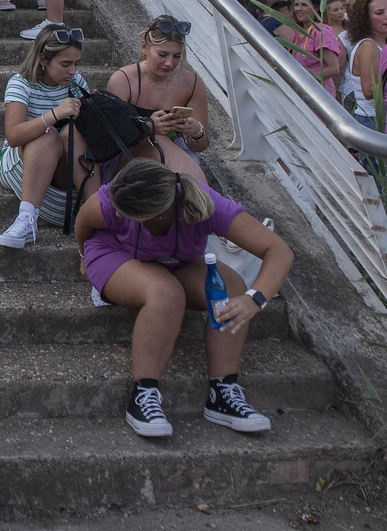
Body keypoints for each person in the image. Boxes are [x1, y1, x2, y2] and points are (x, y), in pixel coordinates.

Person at [76, 158, 294, 439]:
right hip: (113, 252)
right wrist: (84, 257)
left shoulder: (204, 204)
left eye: (125, 213)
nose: (116, 213)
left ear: (156, 214)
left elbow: (279, 250)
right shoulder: (112, 199)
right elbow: (84, 222)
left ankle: (223, 392)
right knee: (166, 293)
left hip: (173, 260)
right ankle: (144, 393)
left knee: (230, 288)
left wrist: (255, 298)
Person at [0, 26, 92, 248]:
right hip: (20, 162)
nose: (72, 71)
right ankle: (26, 219)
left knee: (71, 133)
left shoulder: (77, 84)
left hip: (62, 170)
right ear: (43, 59)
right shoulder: (21, 83)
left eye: (76, 64)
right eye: (65, 64)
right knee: (47, 136)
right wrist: (55, 115)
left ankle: (100, 212)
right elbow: (13, 136)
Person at [105, 15, 212, 168]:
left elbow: (199, 147)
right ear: (144, 47)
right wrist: (147, 128)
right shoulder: (124, 79)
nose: (170, 63)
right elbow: (110, 137)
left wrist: (196, 131)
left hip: (175, 152)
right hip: (127, 153)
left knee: (167, 145)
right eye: (162, 55)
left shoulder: (192, 83)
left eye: (177, 56)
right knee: (160, 140)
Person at [342, 0, 387, 129]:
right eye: (379, 13)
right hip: (372, 119)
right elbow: (369, 91)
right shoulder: (368, 46)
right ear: (366, 18)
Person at [284, 0, 343, 98]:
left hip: (319, 94)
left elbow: (334, 68)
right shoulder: (298, 34)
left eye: (304, 5)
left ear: (316, 8)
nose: (299, 9)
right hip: (302, 93)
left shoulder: (320, 31)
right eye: (297, 5)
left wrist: (303, 78)